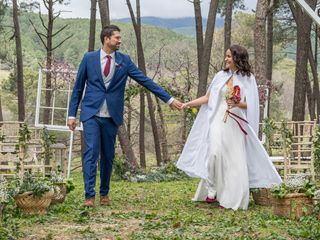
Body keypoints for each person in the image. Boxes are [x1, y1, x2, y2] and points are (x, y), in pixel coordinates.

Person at [68, 25, 182, 207]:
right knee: (91, 152)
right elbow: (78, 88)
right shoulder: (88, 58)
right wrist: (71, 115)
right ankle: (89, 196)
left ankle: (104, 193)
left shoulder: (124, 61)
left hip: (111, 116)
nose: (120, 41)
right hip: (91, 114)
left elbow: (145, 81)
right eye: (117, 38)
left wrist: (169, 99)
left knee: (108, 155)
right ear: (106, 38)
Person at [177, 45, 282, 210]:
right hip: (217, 120)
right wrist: (186, 104)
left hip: (235, 121)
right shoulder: (220, 76)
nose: (226, 59)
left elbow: (251, 105)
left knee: (233, 159)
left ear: (237, 58)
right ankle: (212, 189)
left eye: (229, 57)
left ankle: (231, 198)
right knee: (213, 153)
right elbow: (207, 97)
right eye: (225, 56)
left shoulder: (248, 78)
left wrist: (238, 103)